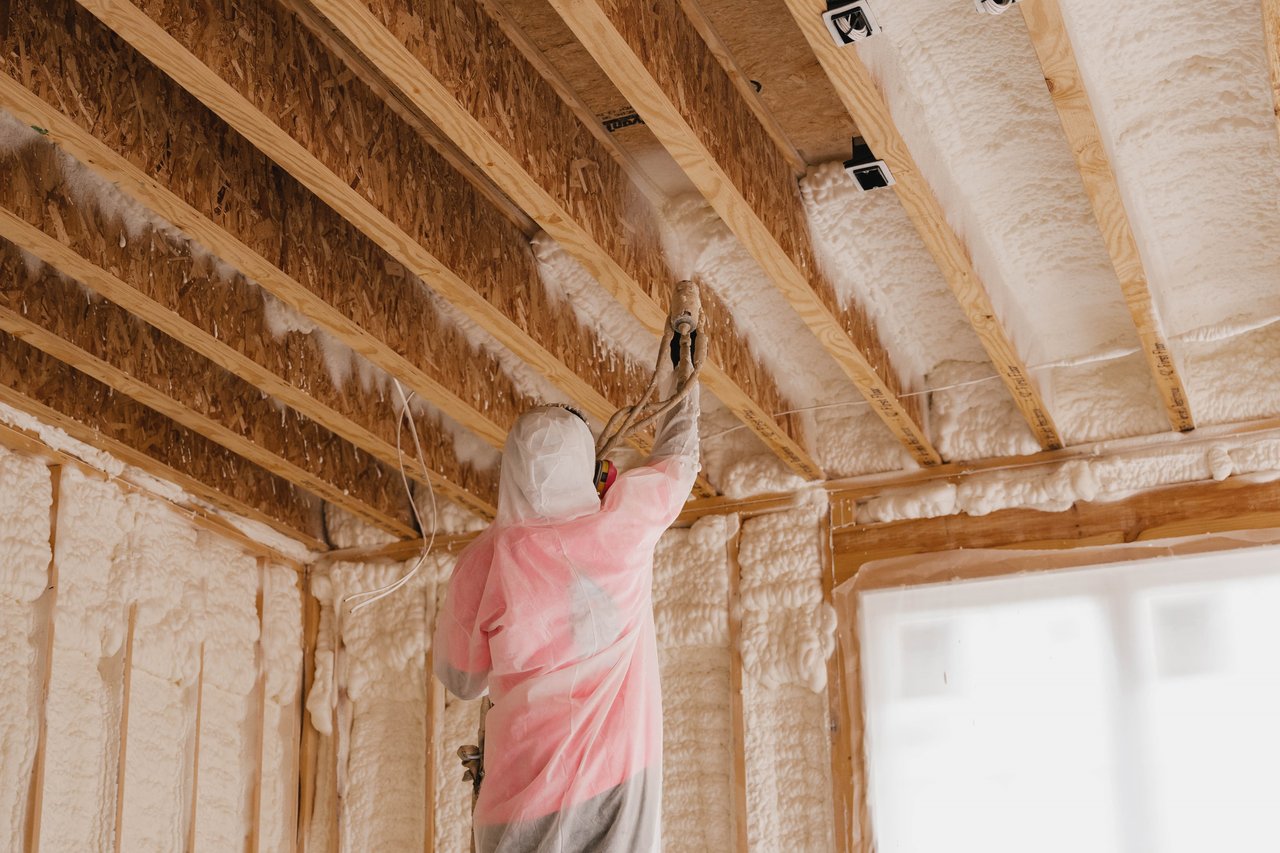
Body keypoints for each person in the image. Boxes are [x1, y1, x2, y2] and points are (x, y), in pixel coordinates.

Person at [433, 371, 699, 853]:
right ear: (585, 468)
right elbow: (677, 462)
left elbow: (462, 680)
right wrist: (684, 374)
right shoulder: (619, 530)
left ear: (511, 467)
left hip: (514, 807)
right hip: (616, 787)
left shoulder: (482, 563)